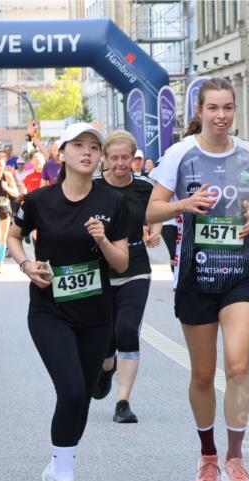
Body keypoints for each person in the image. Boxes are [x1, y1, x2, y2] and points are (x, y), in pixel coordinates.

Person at [146, 77, 249, 481]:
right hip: (195, 277)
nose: (221, 115)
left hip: (239, 272)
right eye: (213, 108)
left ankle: (236, 459)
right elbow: (152, 209)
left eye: (228, 107)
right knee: (203, 374)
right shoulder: (180, 155)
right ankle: (207, 456)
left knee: (237, 369)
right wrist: (183, 204)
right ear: (198, 112)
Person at [6, 123, 130, 481]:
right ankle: (63, 480)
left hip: (96, 314)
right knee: (73, 393)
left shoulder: (113, 203)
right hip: (49, 311)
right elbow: (13, 236)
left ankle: (59, 463)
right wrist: (27, 264)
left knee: (85, 398)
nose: (88, 152)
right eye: (79, 145)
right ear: (62, 153)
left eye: (94, 146)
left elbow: (122, 262)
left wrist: (103, 241)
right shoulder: (38, 200)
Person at [91, 130, 161, 423]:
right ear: (105, 159)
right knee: (106, 338)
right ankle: (106, 367)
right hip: (99, 270)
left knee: (127, 330)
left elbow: (156, 213)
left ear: (134, 159)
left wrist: (155, 231)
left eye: (126, 158)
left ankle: (122, 402)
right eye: (114, 158)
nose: (120, 164)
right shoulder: (92, 186)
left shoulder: (145, 186)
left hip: (135, 268)